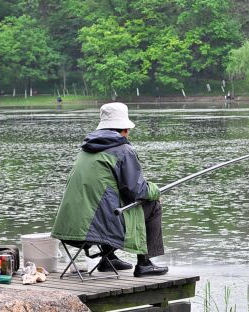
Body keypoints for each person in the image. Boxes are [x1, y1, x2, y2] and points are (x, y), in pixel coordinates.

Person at [51, 102, 168, 277]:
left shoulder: (86, 148)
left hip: (71, 226)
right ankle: (144, 263)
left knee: (108, 202)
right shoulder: (123, 150)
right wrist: (155, 191)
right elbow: (136, 191)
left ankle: (108, 258)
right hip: (97, 226)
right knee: (152, 205)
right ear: (124, 129)